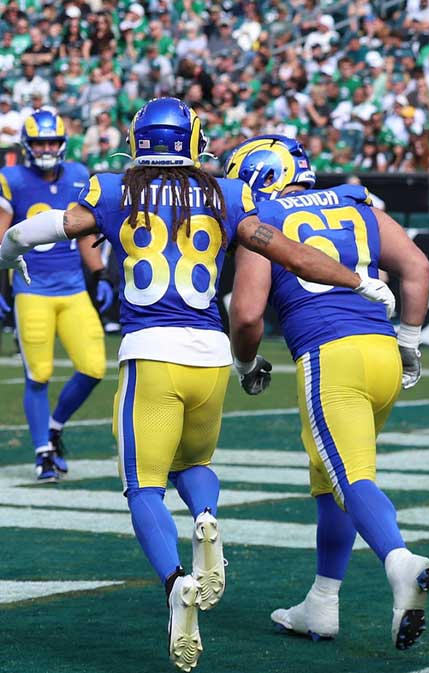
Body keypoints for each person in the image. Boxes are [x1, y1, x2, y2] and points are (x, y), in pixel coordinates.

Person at [0, 97, 395, 672]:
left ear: (138, 140)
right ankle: (206, 518)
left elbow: (44, 228)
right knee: (193, 464)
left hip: (151, 353)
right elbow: (294, 254)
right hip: (210, 357)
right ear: (194, 138)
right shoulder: (227, 194)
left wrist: (8, 252)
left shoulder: (116, 188)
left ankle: (174, 583)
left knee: (143, 487)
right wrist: (358, 281)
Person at [224, 135, 429, 649]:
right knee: (330, 481)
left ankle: (399, 562)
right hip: (382, 353)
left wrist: (246, 362)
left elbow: (248, 312)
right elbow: (417, 267)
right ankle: (321, 604)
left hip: (330, 356)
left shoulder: (263, 218)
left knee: (351, 480)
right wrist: (409, 341)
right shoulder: (353, 201)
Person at [0, 110, 112, 482]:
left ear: (62, 143)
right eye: (40, 143)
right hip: (31, 289)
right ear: (27, 146)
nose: (47, 148)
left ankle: (55, 426)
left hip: (73, 288)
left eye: (51, 141)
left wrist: (98, 273)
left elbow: (83, 234)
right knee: (40, 374)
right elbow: (3, 238)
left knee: (95, 366)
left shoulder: (79, 175)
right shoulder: (11, 178)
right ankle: (42, 452)